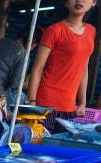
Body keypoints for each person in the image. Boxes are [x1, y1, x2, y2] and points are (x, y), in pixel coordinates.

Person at [27, 0, 97, 132]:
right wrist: (32, 104)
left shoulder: (91, 31)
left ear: (93, 2)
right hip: (47, 102)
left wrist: (82, 103)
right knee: (41, 147)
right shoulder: (54, 30)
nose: (79, 1)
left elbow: (84, 69)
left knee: (60, 147)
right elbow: (37, 69)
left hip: (70, 106)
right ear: (66, 3)